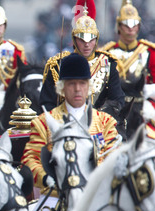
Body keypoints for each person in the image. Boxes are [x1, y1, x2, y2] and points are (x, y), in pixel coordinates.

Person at [22, 53, 118, 194]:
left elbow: (114, 158)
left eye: (82, 83)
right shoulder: (42, 123)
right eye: (72, 84)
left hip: (95, 196)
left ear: (89, 87)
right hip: (55, 197)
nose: (78, 89)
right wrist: (46, 178)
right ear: (62, 87)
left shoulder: (106, 122)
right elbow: (30, 159)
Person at [40, 0, 125, 119]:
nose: (87, 44)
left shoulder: (108, 64)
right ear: (74, 39)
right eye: (82, 39)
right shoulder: (57, 65)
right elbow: (47, 102)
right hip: (64, 122)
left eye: (91, 39)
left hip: (100, 124)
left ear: (96, 39)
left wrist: (100, 117)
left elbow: (117, 100)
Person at [100, 0, 155, 139]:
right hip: (114, 107)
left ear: (138, 26)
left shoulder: (149, 52)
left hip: (142, 105)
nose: (131, 29)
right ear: (119, 26)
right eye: (126, 24)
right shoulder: (107, 53)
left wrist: (149, 90)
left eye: (134, 24)